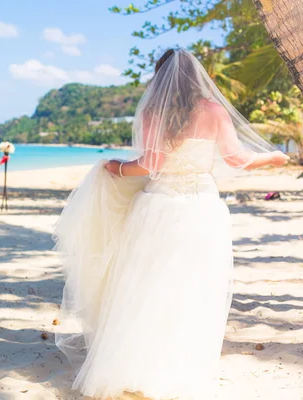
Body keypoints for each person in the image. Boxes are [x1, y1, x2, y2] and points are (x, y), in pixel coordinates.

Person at [53, 48, 289, 400]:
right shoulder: (213, 111)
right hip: (202, 210)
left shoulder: (152, 112)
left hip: (158, 207)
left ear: (160, 79)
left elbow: (149, 166)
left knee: (146, 286)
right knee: (193, 288)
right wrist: (271, 157)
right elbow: (237, 158)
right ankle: (180, 366)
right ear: (198, 78)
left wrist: (115, 167)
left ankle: (135, 366)